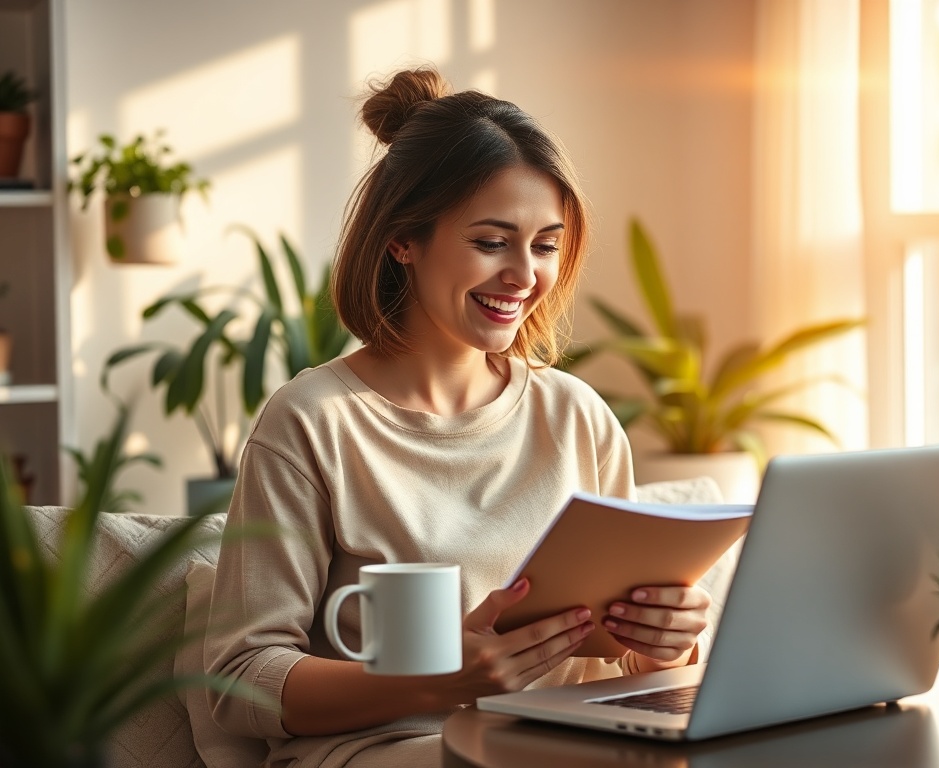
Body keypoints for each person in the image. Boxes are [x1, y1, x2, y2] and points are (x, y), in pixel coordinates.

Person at [203, 66, 713, 767]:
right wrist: (440, 680)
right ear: (402, 240)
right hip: (395, 749)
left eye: (545, 244)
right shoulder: (312, 422)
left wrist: (668, 642)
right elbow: (239, 683)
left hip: (574, 744)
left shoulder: (577, 416)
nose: (526, 276)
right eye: (491, 241)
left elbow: (623, 668)